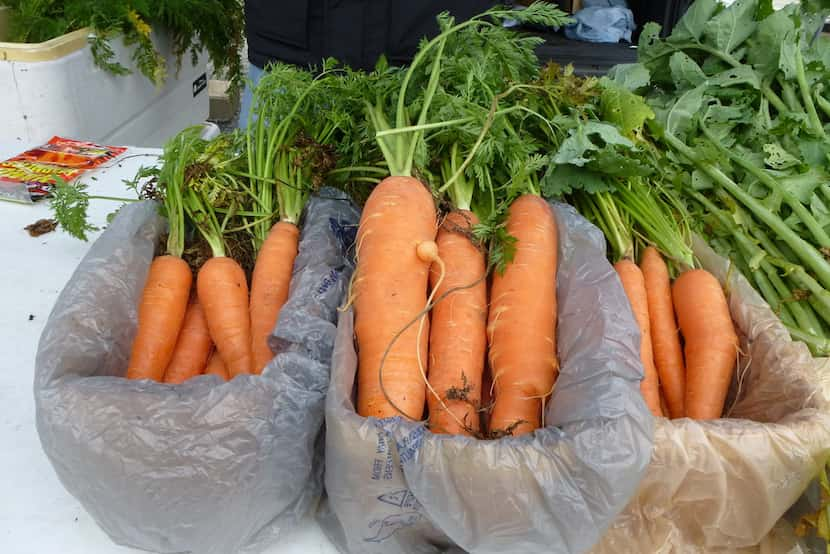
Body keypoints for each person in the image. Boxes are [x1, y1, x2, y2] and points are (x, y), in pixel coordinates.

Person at [239, 0, 495, 127]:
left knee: (445, 220)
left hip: (433, 69)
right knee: (257, 215)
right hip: (287, 65)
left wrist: (532, 37)